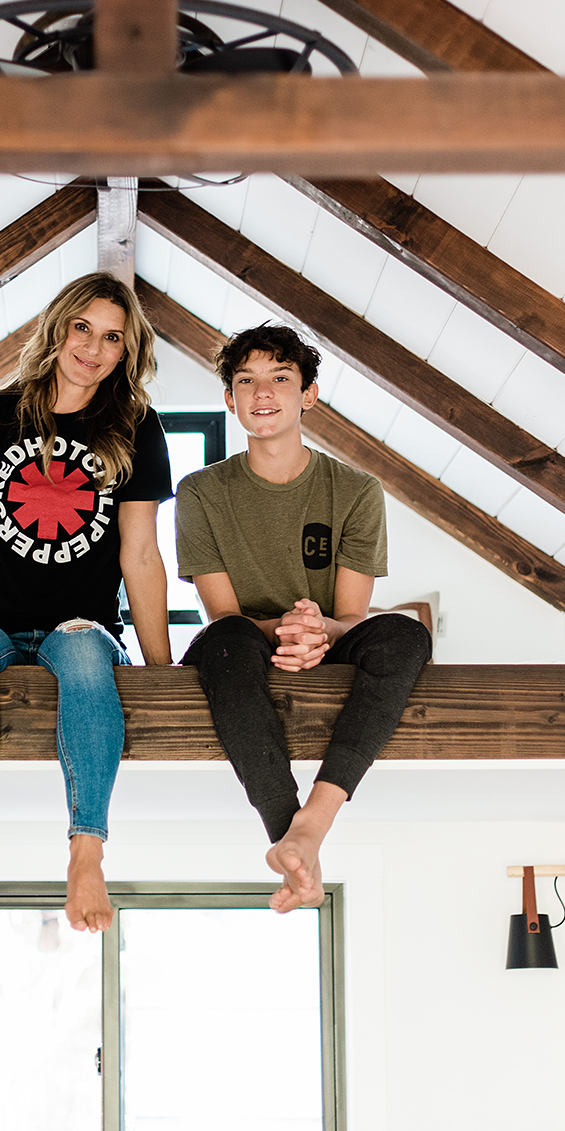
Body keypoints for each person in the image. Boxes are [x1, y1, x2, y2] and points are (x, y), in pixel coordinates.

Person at [0, 272, 173, 936]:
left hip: (80, 622)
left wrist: (162, 669)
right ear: (58, 327)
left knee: (87, 654)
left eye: (112, 337)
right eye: (82, 327)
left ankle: (87, 852)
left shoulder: (137, 429)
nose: (93, 347)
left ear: (126, 352)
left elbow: (140, 557)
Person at [176, 324, 431, 912]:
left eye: (280, 378)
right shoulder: (200, 492)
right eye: (247, 381)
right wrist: (288, 631)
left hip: (326, 637)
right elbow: (224, 617)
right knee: (225, 640)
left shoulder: (357, 490)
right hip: (241, 643)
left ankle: (312, 824)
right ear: (229, 399)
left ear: (308, 395)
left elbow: (349, 617)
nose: (262, 392)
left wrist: (317, 631)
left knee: (406, 634)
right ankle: (286, 830)